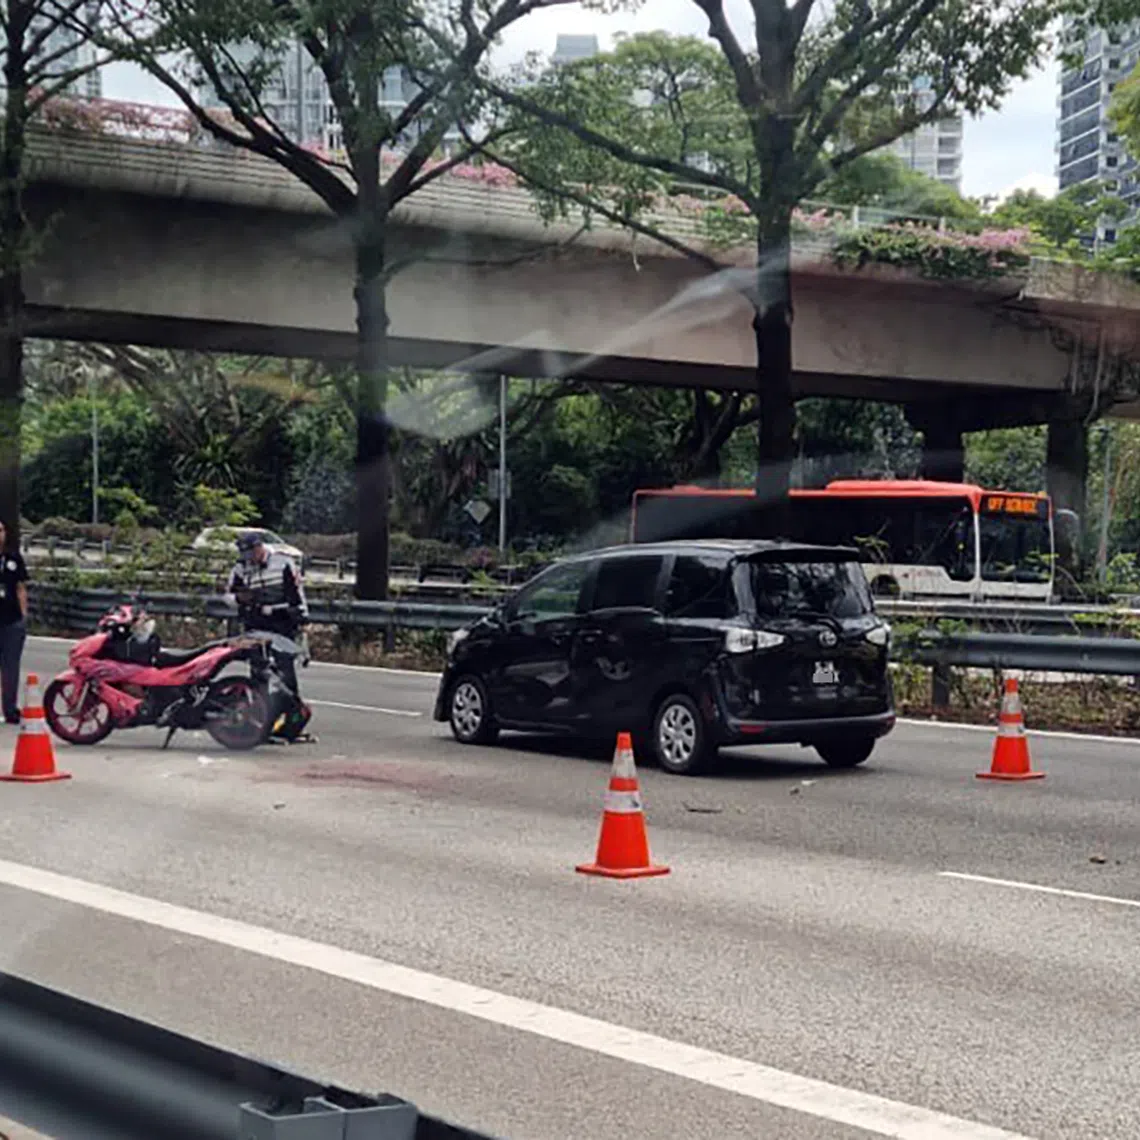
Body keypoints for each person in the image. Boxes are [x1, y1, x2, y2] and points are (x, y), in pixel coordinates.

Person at [224, 531, 312, 740]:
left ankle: (292, 723)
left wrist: (302, 619)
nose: (249, 559)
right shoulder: (240, 569)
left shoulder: (283, 563)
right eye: (245, 555)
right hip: (255, 624)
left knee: (285, 673)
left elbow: (297, 593)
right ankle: (261, 725)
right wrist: (240, 599)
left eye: (251, 554)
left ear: (259, 547)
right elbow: (227, 596)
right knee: (258, 674)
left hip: (282, 623)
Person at [0, 521, 29, 725]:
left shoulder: (13, 558)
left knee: (10, 669)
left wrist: (23, 616)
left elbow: (20, 587)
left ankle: (10, 709)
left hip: (11, 620)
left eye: (1, 530)